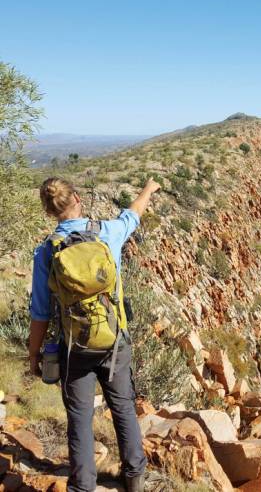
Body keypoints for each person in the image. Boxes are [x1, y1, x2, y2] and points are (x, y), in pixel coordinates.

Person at [29, 176, 161, 492]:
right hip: (115, 341)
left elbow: (40, 313)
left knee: (79, 417)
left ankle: (82, 487)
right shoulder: (107, 233)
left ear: (49, 211)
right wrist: (148, 189)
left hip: (74, 348)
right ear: (76, 198)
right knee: (123, 407)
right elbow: (133, 215)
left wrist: (34, 354)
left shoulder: (47, 251)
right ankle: (134, 478)